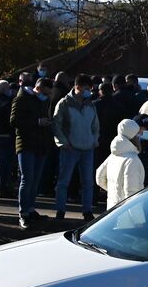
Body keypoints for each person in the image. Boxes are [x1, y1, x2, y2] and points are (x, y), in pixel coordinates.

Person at [52, 75, 100, 222]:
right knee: (63, 181)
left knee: (88, 182)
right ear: (78, 87)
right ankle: (60, 210)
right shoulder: (64, 104)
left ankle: (87, 211)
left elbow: (95, 125)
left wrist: (94, 140)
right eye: (87, 88)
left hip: (88, 149)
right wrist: (64, 143)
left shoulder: (90, 104)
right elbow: (56, 125)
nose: (89, 92)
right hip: (70, 149)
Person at [10, 76, 55, 229]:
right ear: (39, 88)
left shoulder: (44, 100)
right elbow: (14, 121)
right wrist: (37, 122)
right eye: (46, 92)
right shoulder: (21, 99)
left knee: (35, 180)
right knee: (27, 178)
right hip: (26, 144)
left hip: (41, 144)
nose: (48, 96)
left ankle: (30, 208)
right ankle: (23, 213)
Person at [95, 119, 144, 211]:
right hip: (127, 217)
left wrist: (115, 192)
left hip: (111, 210)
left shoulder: (113, 154)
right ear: (133, 135)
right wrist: (138, 220)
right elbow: (132, 193)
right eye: (138, 133)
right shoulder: (132, 160)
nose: (140, 135)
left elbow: (99, 177)